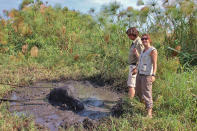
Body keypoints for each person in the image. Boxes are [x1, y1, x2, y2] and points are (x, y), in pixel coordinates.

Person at [134, 34, 158, 118]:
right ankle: (145, 107)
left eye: (146, 39)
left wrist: (153, 75)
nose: (144, 40)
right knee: (138, 92)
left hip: (147, 75)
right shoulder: (144, 50)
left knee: (147, 93)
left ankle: (149, 113)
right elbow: (140, 60)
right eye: (142, 39)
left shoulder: (152, 50)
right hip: (140, 74)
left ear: (149, 40)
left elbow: (155, 64)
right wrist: (136, 69)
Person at [126, 27, 144, 99]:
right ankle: (134, 101)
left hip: (135, 66)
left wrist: (136, 67)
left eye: (128, 35)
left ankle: (129, 102)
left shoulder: (138, 42)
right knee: (134, 85)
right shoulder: (135, 42)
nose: (128, 37)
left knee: (131, 85)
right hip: (134, 66)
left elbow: (142, 56)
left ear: (132, 34)